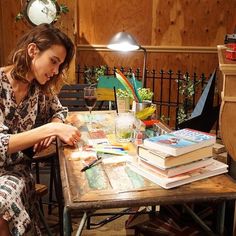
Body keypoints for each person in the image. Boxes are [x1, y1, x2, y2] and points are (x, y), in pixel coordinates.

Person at [0, 23, 81, 235]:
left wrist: (56, 123)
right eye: (53, 62)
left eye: (59, 66)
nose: (55, 71)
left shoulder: (38, 89)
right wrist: (48, 130)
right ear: (33, 50)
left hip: (16, 172)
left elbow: (61, 111)